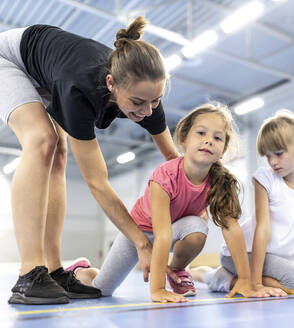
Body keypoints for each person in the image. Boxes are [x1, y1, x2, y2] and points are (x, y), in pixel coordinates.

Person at [0, 16, 181, 305]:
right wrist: (141, 244)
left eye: (156, 101)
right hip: (9, 59)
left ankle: (54, 270)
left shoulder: (145, 93)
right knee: (42, 141)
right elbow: (97, 182)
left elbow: (176, 161)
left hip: (50, 70)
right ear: (112, 84)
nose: (148, 111)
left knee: (60, 154)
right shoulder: (78, 88)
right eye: (137, 103)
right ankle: (29, 274)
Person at [69, 103, 275, 302]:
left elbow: (232, 228)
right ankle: (82, 271)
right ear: (184, 139)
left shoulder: (221, 181)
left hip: (177, 230)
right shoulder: (166, 175)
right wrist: (158, 289)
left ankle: (178, 270)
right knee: (101, 289)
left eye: (217, 137)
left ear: (223, 150)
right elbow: (162, 233)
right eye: (201, 133)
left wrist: (246, 281)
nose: (209, 140)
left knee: (197, 227)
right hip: (138, 233)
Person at [192, 110, 294, 295]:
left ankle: (218, 277)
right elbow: (263, 229)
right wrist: (257, 283)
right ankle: (229, 277)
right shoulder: (266, 179)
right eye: (268, 156)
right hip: (241, 254)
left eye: (278, 153)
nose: (273, 162)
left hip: (278, 260)